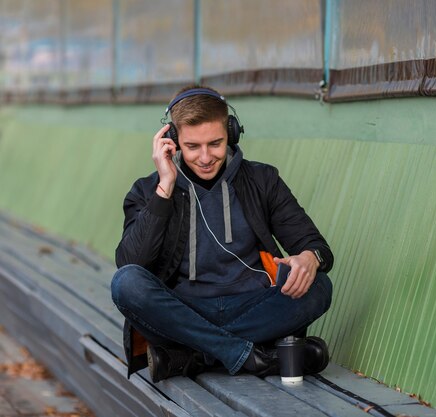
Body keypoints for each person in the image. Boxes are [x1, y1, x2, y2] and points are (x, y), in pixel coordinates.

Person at [110, 85, 333, 382]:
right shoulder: (147, 191)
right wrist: (164, 188)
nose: (205, 157)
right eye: (193, 147)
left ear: (231, 132)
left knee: (319, 286)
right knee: (126, 283)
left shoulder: (262, 180)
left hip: (253, 305)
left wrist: (309, 257)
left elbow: (316, 246)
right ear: (171, 141)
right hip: (184, 310)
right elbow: (130, 263)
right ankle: (248, 355)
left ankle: (198, 355)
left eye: (215, 143)